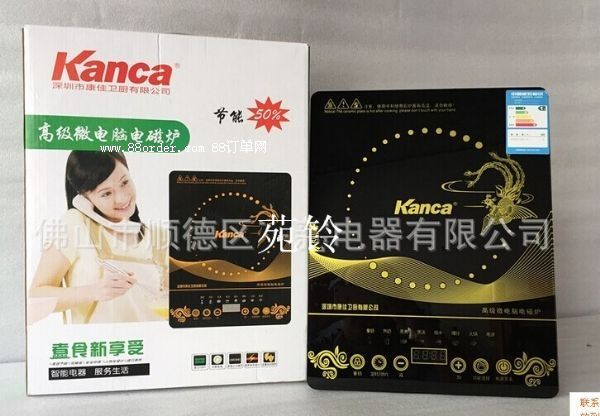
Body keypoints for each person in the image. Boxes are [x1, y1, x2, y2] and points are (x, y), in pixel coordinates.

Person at [29, 151, 168, 324]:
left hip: (154, 340)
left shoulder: (159, 236)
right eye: (106, 193)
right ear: (84, 197)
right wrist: (94, 291)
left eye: (124, 182)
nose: (122, 198)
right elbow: (34, 298)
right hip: (100, 341)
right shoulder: (74, 224)